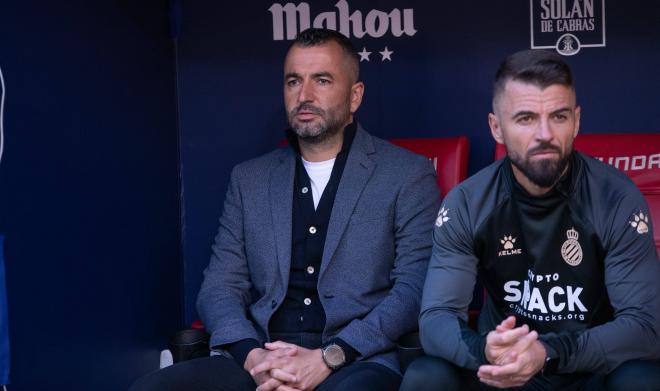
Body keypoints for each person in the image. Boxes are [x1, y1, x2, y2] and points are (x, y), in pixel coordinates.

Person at [130, 27, 439, 391]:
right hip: (261, 356)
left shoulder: (406, 174)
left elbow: (415, 288)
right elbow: (219, 287)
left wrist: (331, 356)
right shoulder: (250, 179)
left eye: (322, 81)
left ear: (355, 96)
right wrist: (254, 357)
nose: (304, 95)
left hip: (356, 360)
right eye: (294, 81)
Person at [401, 49, 660, 390]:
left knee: (641, 380)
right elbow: (436, 319)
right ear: (497, 127)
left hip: (586, 368)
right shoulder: (468, 203)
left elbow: (645, 327)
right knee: (426, 377)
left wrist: (548, 351)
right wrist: (488, 352)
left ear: (577, 121)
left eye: (559, 116)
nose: (544, 134)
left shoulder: (616, 197)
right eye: (525, 118)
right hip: (499, 370)